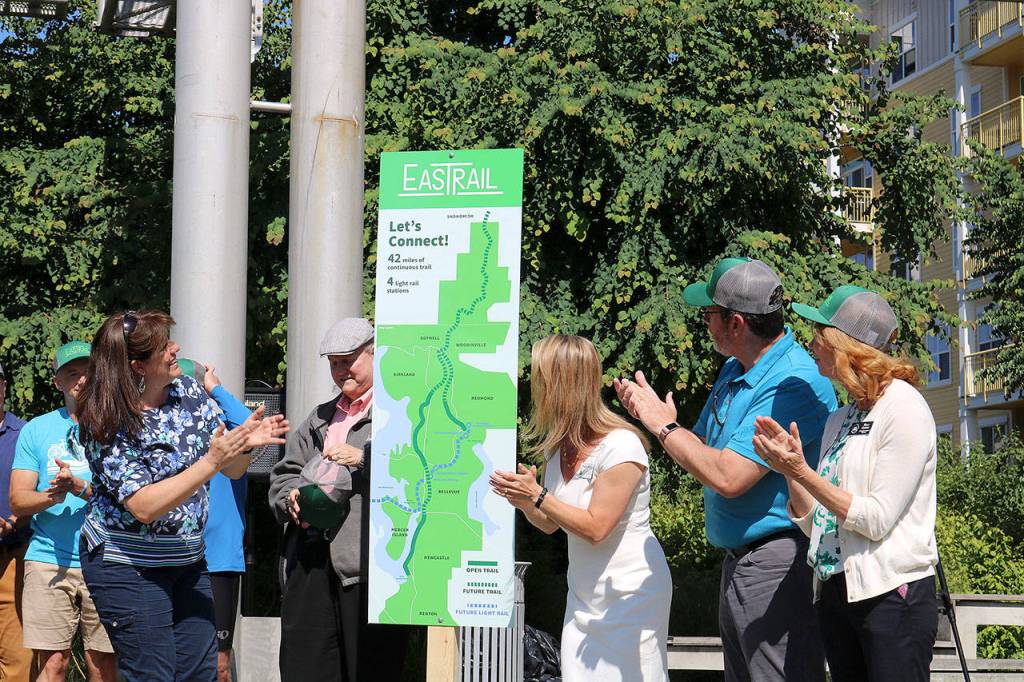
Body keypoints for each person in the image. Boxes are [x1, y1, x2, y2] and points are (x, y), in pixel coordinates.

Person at [615, 257, 837, 682]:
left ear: (736, 323)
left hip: (777, 564)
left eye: (710, 314)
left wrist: (661, 425)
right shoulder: (738, 368)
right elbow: (702, 450)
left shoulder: (794, 384)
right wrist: (666, 422)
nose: (705, 322)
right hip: (742, 564)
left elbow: (728, 478)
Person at [73, 310, 288, 682]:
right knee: (153, 674)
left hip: (187, 560)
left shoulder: (187, 391)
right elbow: (143, 506)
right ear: (138, 366)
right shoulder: (103, 417)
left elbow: (231, 469)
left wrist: (242, 447)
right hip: (127, 565)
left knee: (199, 674)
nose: (176, 349)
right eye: (164, 347)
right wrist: (211, 460)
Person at [752, 285, 938, 682]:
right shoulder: (841, 417)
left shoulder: (903, 408)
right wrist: (788, 468)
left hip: (891, 596)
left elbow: (874, 519)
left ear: (846, 344)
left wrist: (804, 471)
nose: (812, 343)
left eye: (820, 333)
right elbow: (816, 521)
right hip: (838, 593)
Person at [490, 334, 672, 682]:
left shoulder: (622, 445)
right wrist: (526, 502)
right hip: (584, 599)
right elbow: (550, 524)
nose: (535, 389)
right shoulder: (557, 448)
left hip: (630, 596)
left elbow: (595, 528)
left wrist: (541, 496)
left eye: (541, 378)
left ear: (561, 384)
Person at [269, 317, 410, 682]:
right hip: (309, 559)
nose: (341, 370)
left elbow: (416, 475)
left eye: (349, 360)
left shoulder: (399, 413)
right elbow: (283, 474)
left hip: (368, 566)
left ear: (375, 354)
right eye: (334, 363)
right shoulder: (319, 416)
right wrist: (290, 500)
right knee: (305, 667)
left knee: (370, 669)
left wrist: (364, 459)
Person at [9, 342, 116, 681]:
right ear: (57, 383)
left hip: (107, 557)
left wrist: (80, 488)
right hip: (47, 559)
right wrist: (51, 497)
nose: (81, 379)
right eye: (71, 373)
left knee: (103, 664)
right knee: (52, 663)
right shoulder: (36, 430)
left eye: (87, 370)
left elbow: (130, 495)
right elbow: (18, 500)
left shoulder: (118, 425)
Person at [179, 358, 253, 682]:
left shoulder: (224, 427)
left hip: (219, 559)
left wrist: (217, 389)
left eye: (190, 387)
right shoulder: (168, 430)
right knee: (177, 654)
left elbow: (254, 426)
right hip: (178, 556)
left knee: (219, 664)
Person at [0, 360, 34, 682]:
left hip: (12, 557)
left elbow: (42, 495)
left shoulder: (25, 433)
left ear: (4, 387)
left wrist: (12, 520)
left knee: (17, 659)